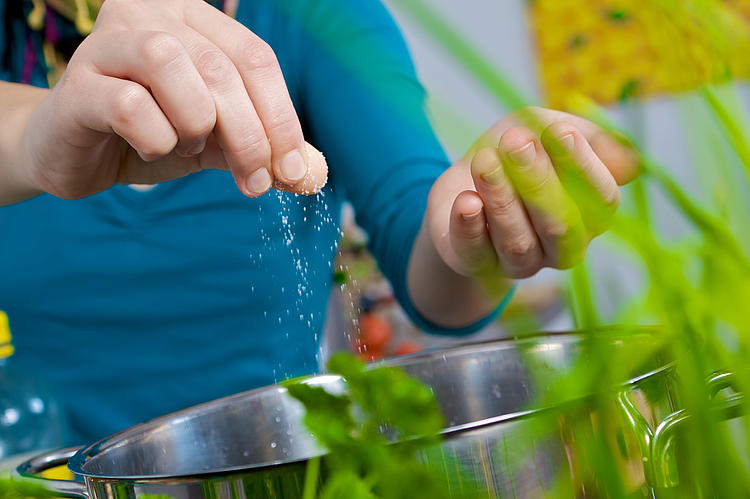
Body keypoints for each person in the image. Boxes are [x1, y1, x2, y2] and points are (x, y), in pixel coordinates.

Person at [0, 0, 638, 444]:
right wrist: (38, 138)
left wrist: (476, 224)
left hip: (273, 467)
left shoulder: (310, 18)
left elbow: (422, 241)